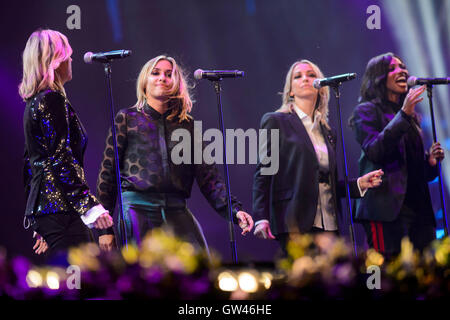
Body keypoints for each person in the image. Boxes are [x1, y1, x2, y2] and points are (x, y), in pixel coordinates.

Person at [96, 55, 253, 252]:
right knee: (146, 273)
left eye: (168, 74)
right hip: (137, 211)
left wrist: (235, 211)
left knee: (198, 265)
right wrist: (105, 230)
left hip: (176, 209)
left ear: (176, 83)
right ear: (144, 82)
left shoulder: (187, 126)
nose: (162, 78)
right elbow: (107, 175)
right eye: (156, 73)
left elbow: (209, 178)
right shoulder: (127, 118)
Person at [252, 59, 383, 255]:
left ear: (321, 87)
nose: (305, 78)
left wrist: (358, 185)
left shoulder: (327, 131)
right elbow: (263, 171)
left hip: (329, 222)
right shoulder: (275, 121)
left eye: (311, 75)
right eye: (298, 76)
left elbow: (325, 181)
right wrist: (261, 216)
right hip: (294, 220)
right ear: (290, 91)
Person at [20, 29, 113, 258]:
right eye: (68, 55)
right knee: (83, 280)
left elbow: (30, 164)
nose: (71, 59)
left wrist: (38, 213)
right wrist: (89, 206)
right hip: (63, 210)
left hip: (52, 212)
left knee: (74, 280)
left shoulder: (34, 102)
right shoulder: (51, 99)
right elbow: (61, 158)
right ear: (55, 61)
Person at [349, 52, 444, 257]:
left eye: (402, 67)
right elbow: (375, 151)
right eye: (392, 68)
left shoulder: (409, 117)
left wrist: (430, 162)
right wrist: (403, 114)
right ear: (378, 77)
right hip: (386, 209)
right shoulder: (366, 111)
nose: (402, 71)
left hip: (418, 209)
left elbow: (413, 170)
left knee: (426, 273)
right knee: (390, 274)